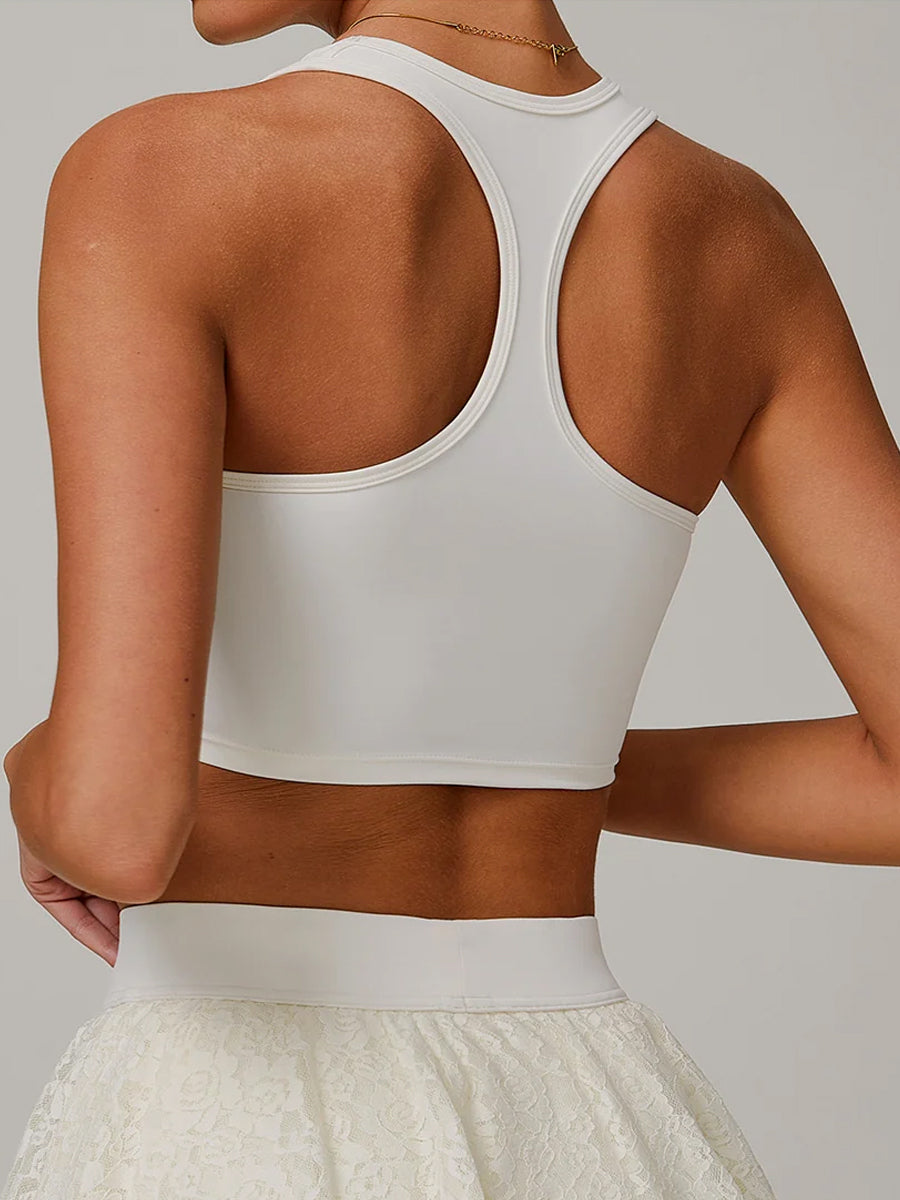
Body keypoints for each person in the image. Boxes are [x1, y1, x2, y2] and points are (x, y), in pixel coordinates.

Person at [3, 0, 898, 1196]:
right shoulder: (741, 236)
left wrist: (38, 774)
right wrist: (541, 767)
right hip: (592, 1117)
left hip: (245, 1109)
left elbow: (113, 827)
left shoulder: (160, 173)